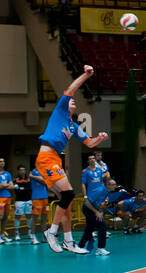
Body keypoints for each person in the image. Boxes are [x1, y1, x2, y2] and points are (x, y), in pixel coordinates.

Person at [35, 65, 109, 254]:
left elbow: (90, 144)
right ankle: (51, 232)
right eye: (72, 102)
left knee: (66, 200)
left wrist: (99, 138)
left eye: (74, 102)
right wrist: (86, 74)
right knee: (68, 195)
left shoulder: (74, 126)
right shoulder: (60, 111)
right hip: (46, 157)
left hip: (55, 159)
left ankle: (68, 241)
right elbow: (71, 89)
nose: (73, 102)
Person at [78, 173, 115, 256]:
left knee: (89, 228)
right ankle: (100, 249)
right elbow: (87, 203)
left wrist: (103, 206)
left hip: (94, 210)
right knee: (102, 226)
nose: (115, 186)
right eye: (113, 185)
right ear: (108, 185)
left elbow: (100, 205)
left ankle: (80, 246)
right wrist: (96, 212)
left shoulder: (107, 192)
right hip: (88, 209)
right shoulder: (99, 191)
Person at [0, 158, 14, 244]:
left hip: (8, 197)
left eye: (3, 161)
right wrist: (8, 185)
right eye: (0, 161)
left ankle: (2, 234)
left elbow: (12, 187)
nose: (2, 163)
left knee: (5, 217)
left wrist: (4, 185)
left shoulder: (8, 174)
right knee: (0, 216)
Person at [11, 165, 33, 241]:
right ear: (18, 171)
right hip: (19, 201)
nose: (22, 171)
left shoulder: (29, 179)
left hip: (28, 200)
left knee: (29, 216)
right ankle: (17, 233)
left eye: (23, 170)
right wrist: (23, 189)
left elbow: (30, 188)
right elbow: (16, 190)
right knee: (18, 216)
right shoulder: (15, 180)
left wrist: (22, 188)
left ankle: (30, 232)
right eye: (21, 170)